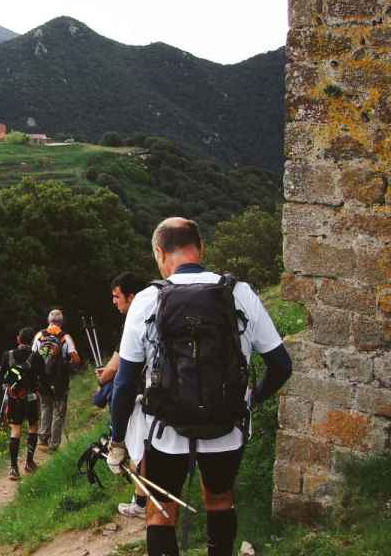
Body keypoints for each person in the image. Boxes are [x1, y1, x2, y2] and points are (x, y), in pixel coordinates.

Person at [107, 218, 293, 556]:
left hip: (165, 430)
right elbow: (282, 365)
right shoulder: (239, 293)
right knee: (220, 499)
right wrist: (251, 400)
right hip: (227, 424)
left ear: (159, 252)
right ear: (201, 248)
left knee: (160, 512)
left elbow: (122, 383)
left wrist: (117, 439)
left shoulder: (147, 300)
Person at [92, 272, 149, 518]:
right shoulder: (158, 311)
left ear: (131, 296)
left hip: (141, 397)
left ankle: (142, 504)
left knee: (139, 450)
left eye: (117, 297)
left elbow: (117, 368)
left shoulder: (134, 321)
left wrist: (103, 379)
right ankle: (144, 501)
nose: (114, 302)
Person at [32, 310, 81, 450]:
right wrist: (70, 366)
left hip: (42, 380)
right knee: (58, 411)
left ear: (49, 321)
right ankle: (54, 445)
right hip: (60, 381)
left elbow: (33, 357)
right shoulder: (65, 337)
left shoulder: (39, 336)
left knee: (45, 407)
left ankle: (42, 440)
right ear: (61, 322)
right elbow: (76, 359)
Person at [0, 327, 44, 480]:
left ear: (18, 339)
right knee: (33, 427)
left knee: (15, 430)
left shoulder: (8, 355)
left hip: (14, 397)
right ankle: (29, 462)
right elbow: (42, 378)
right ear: (32, 341)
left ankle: (13, 468)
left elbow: (2, 377)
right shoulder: (36, 357)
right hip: (31, 397)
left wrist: (8, 385)